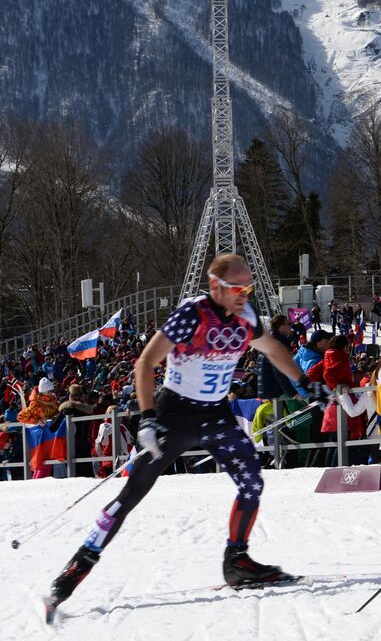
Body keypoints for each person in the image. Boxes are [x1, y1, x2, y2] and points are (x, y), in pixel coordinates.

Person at [44, 254, 332, 621]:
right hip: (174, 414)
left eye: (249, 288)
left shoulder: (246, 318)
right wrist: (148, 418)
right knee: (131, 494)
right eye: (237, 288)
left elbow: (274, 349)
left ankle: (238, 560)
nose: (244, 294)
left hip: (215, 415)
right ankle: (73, 573)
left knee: (252, 482)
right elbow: (145, 363)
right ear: (216, 286)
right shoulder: (191, 314)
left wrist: (305, 383)